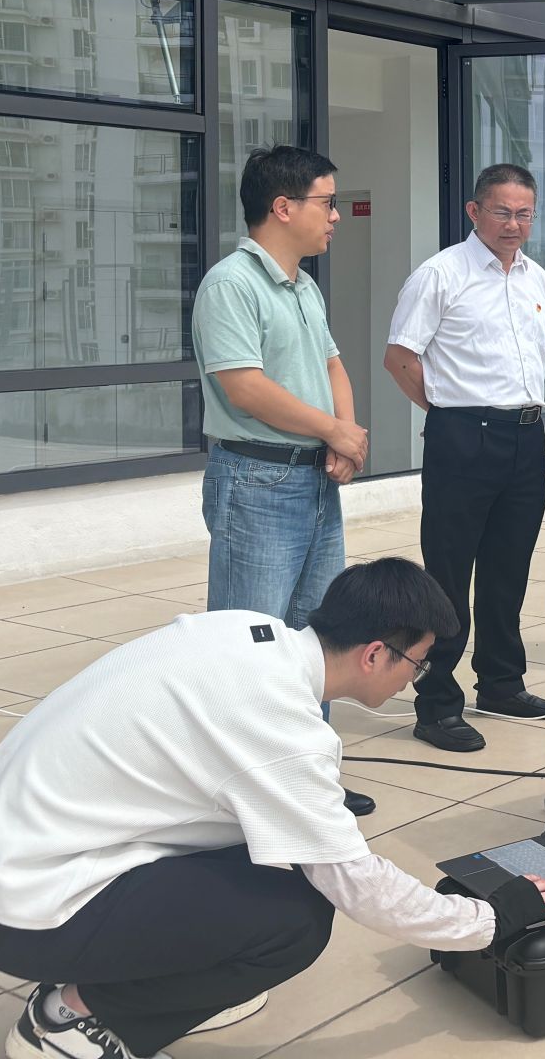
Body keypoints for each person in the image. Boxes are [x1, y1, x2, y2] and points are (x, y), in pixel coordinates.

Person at [0, 558, 545, 1059]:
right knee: (296, 922)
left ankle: (146, 978)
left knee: (268, 853)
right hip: (20, 915)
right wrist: (490, 920)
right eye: (418, 663)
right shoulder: (283, 727)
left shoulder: (243, 631)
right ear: (375, 654)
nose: (414, 679)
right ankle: (72, 1020)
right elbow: (357, 884)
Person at [194, 146, 375, 817]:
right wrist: (332, 432)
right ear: (283, 207)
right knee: (250, 643)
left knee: (316, 640)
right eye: (326, 202)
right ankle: (243, 794)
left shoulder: (303, 286)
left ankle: (307, 780)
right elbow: (243, 387)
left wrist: (344, 433)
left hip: (313, 482)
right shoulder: (231, 285)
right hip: (257, 481)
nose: (336, 216)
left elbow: (331, 365)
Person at [385, 163, 545, 754]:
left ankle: (502, 683)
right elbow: (399, 358)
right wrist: (448, 413)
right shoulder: (441, 274)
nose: (514, 224)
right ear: (474, 211)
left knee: (509, 570)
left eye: (524, 214)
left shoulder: (535, 277)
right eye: (502, 212)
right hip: (463, 436)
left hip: (526, 437)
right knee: (448, 576)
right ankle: (436, 703)